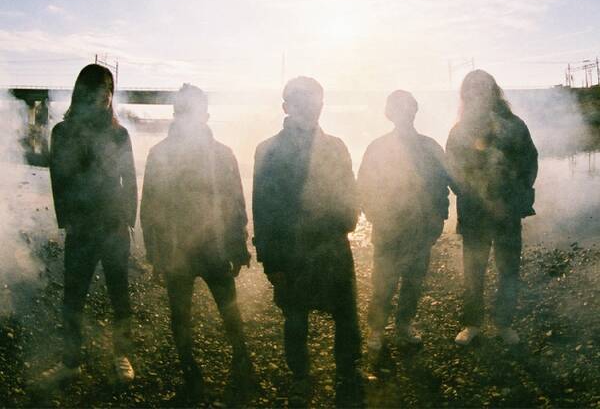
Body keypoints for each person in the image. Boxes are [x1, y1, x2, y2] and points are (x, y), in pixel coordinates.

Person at [252, 77, 362, 408]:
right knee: (296, 318)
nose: (309, 109)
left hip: (332, 246)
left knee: (345, 315)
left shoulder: (336, 146)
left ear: (321, 106)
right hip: (291, 252)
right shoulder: (268, 150)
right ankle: (300, 375)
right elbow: (263, 209)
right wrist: (271, 262)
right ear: (286, 107)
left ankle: (347, 371)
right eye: (301, 102)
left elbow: (349, 191)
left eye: (314, 103)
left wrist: (348, 219)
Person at [140, 84, 253, 399]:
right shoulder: (208, 153)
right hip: (186, 250)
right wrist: (155, 255)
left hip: (203, 248)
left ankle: (225, 365)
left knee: (214, 312)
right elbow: (150, 208)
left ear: (205, 115)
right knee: (202, 313)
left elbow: (235, 205)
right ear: (179, 114)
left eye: (194, 111)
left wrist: (238, 247)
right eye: (185, 111)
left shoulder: (169, 153)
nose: (190, 117)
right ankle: (215, 367)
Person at [42, 64, 137, 386]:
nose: (104, 95)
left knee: (119, 293)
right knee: (73, 297)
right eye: (98, 88)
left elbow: (130, 179)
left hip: (114, 225)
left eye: (108, 89)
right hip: (81, 226)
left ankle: (122, 355)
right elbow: (59, 180)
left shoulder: (119, 134)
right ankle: (70, 362)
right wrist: (66, 220)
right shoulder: (63, 132)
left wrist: (129, 220)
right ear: (82, 92)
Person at [446, 70, 538, 346]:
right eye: (472, 89)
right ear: (466, 94)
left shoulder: (514, 125)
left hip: (507, 211)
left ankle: (504, 323)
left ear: (493, 91)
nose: (478, 93)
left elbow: (530, 162)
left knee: (508, 269)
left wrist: (518, 195)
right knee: (473, 271)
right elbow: (451, 170)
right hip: (475, 212)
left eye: (483, 88)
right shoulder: (459, 130)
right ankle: (472, 323)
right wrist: (471, 193)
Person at [357, 90, 451, 352]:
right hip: (389, 226)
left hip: (420, 226)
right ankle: (377, 328)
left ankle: (403, 325)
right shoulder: (379, 148)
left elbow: (441, 186)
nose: (404, 113)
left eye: (407, 108)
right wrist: (376, 215)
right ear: (390, 114)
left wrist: (438, 218)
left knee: (413, 279)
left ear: (414, 111)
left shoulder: (429, 147)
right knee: (383, 280)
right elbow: (364, 186)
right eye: (398, 109)